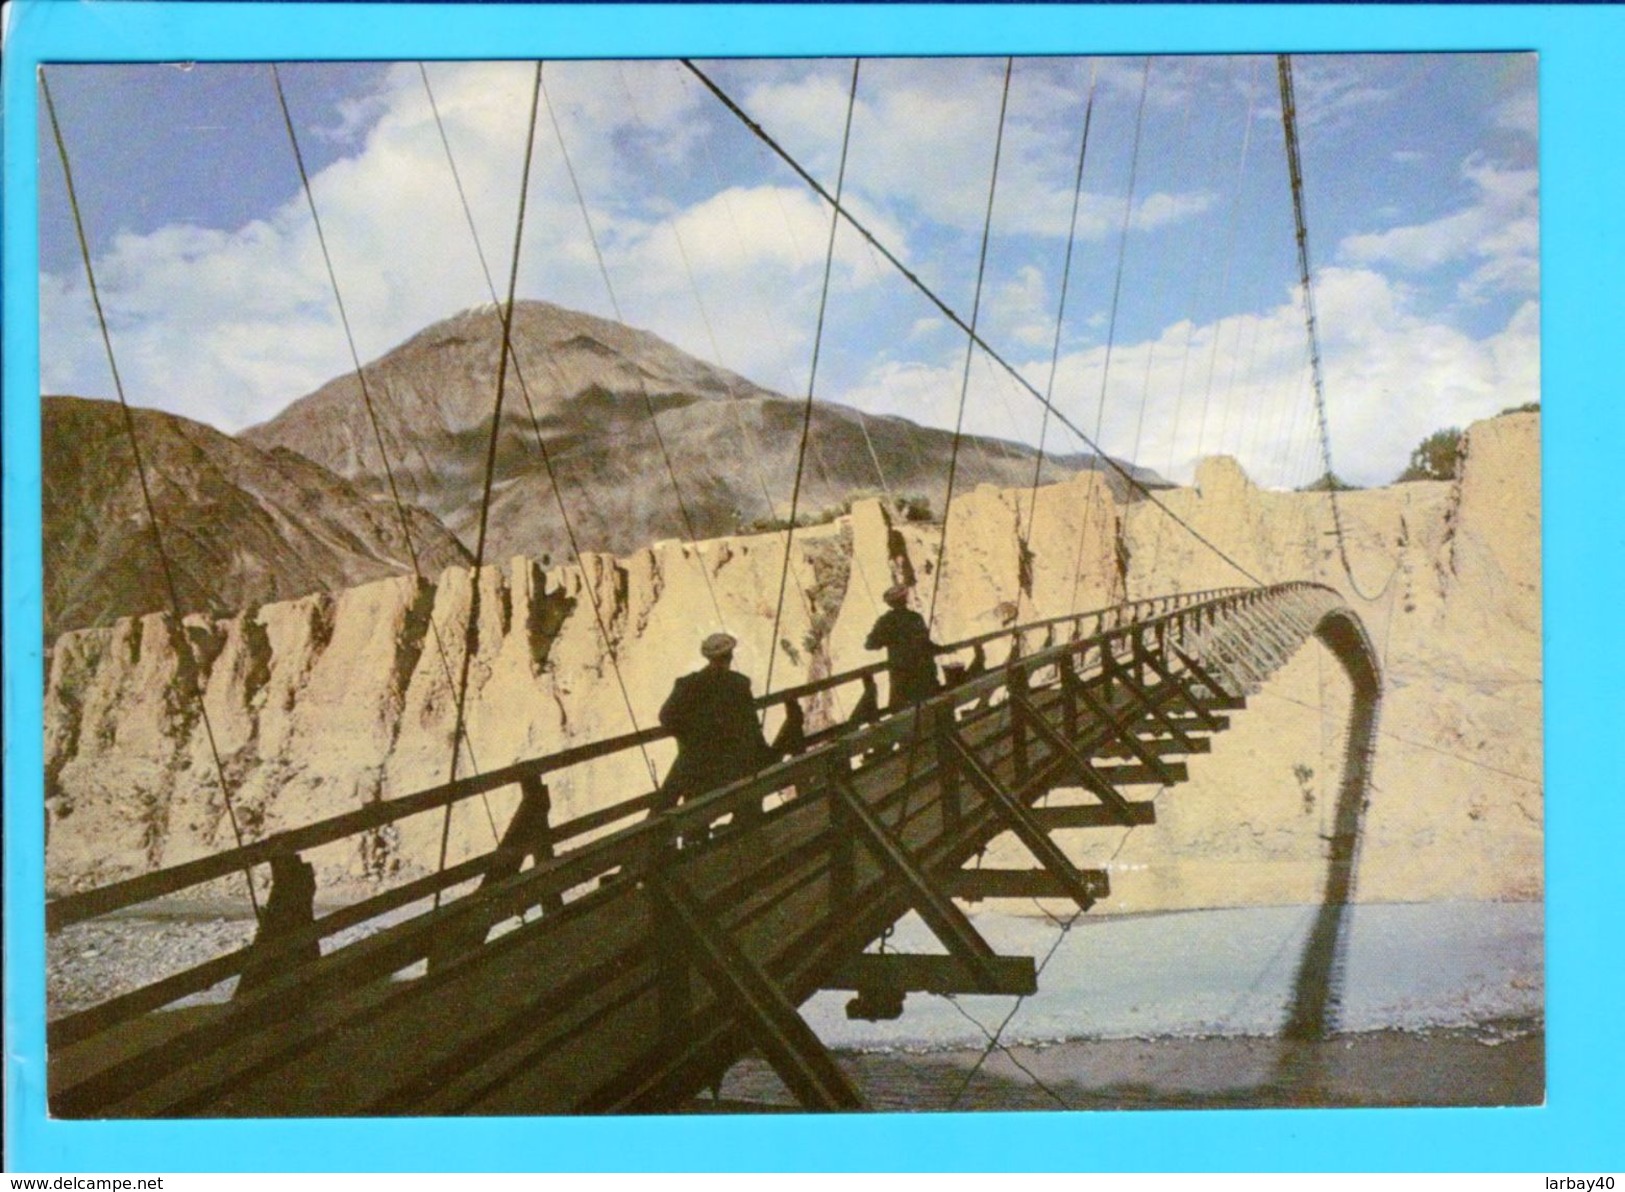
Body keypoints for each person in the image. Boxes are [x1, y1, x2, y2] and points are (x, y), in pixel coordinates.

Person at [657, 632, 777, 811]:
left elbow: (666, 717)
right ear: (730, 656)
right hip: (736, 766)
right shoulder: (739, 684)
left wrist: (692, 737)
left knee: (692, 800)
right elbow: (751, 725)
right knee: (748, 793)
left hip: (701, 770)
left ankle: (696, 836)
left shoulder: (689, 685)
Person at [865, 584, 940, 709]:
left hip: (901, 677)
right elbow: (926, 644)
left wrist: (888, 638)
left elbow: (870, 644)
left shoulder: (886, 622)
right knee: (931, 708)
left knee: (903, 713)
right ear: (905, 600)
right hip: (924, 674)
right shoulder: (915, 618)